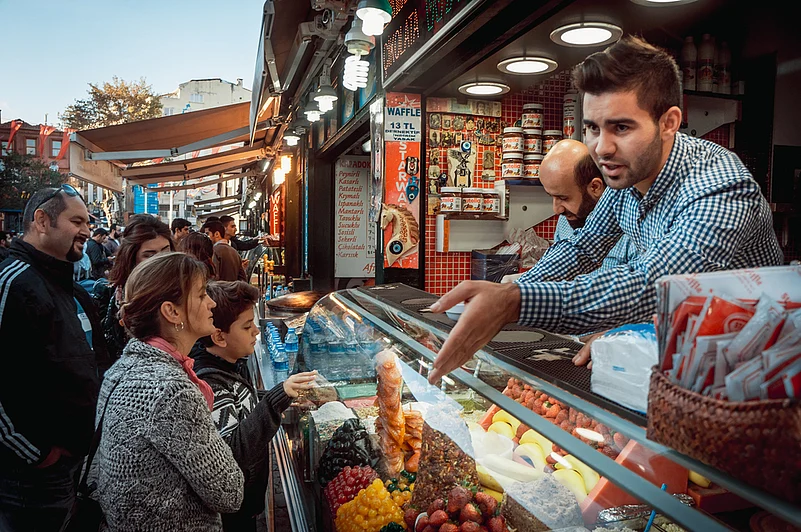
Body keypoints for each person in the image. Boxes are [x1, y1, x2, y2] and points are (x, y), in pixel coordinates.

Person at [428, 35, 783, 382]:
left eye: (622, 127)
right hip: (683, 346)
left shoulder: (720, 186)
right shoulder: (627, 175)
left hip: (753, 367)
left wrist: (515, 302)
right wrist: (502, 295)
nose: (602, 148)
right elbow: (581, 249)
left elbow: (652, 285)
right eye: (592, 128)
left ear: (669, 122)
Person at [89, 252, 244, 530]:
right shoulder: (172, 391)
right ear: (171, 312)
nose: (211, 303)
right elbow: (229, 493)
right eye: (201, 295)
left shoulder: (122, 369)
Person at [0, 185, 109, 531]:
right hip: (28, 477)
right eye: (76, 220)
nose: (87, 231)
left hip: (68, 467)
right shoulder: (13, 283)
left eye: (88, 222)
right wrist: (37, 453)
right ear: (42, 221)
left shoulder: (64, 284)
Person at [191, 281, 317, 531]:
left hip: (245, 504)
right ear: (219, 336)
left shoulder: (228, 366)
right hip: (233, 513)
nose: (256, 332)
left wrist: (282, 394)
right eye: (247, 326)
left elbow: (242, 403)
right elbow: (232, 450)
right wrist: (275, 398)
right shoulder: (209, 384)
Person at [542, 139, 638, 271]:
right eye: (551, 196)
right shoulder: (566, 220)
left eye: (563, 198)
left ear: (595, 187)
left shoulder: (631, 225)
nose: (557, 209)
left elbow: (633, 285)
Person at [102, 214, 174, 362]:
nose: (161, 260)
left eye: (165, 251)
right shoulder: (120, 295)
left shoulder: (184, 288)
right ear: (131, 258)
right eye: (149, 255)